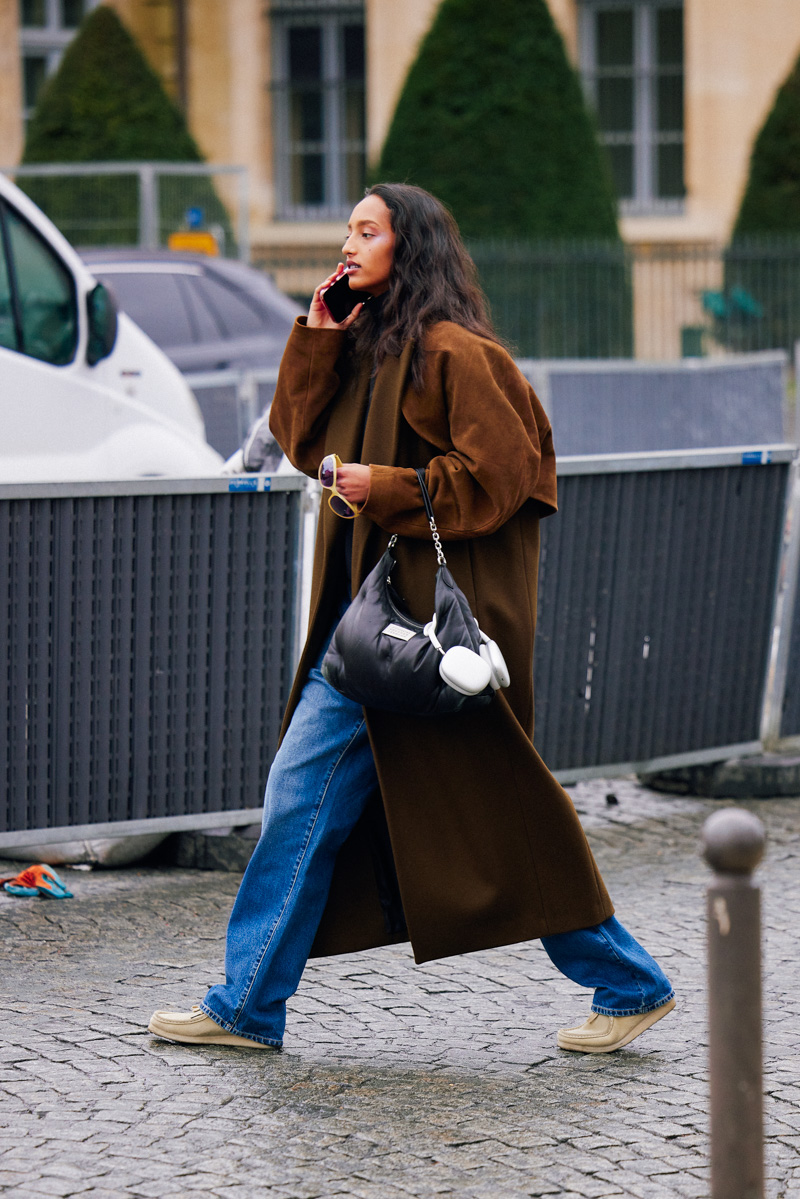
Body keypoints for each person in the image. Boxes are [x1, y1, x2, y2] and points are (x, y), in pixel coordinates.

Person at [148, 183, 674, 1055]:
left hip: (427, 637)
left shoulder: (458, 354)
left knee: (491, 819)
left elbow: (508, 479)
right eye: (346, 228)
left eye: (366, 229)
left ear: (411, 246)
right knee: (315, 803)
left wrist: (384, 487)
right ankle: (246, 1005)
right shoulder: (363, 346)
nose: (346, 243)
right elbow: (292, 429)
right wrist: (316, 333)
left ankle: (630, 981)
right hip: (368, 635)